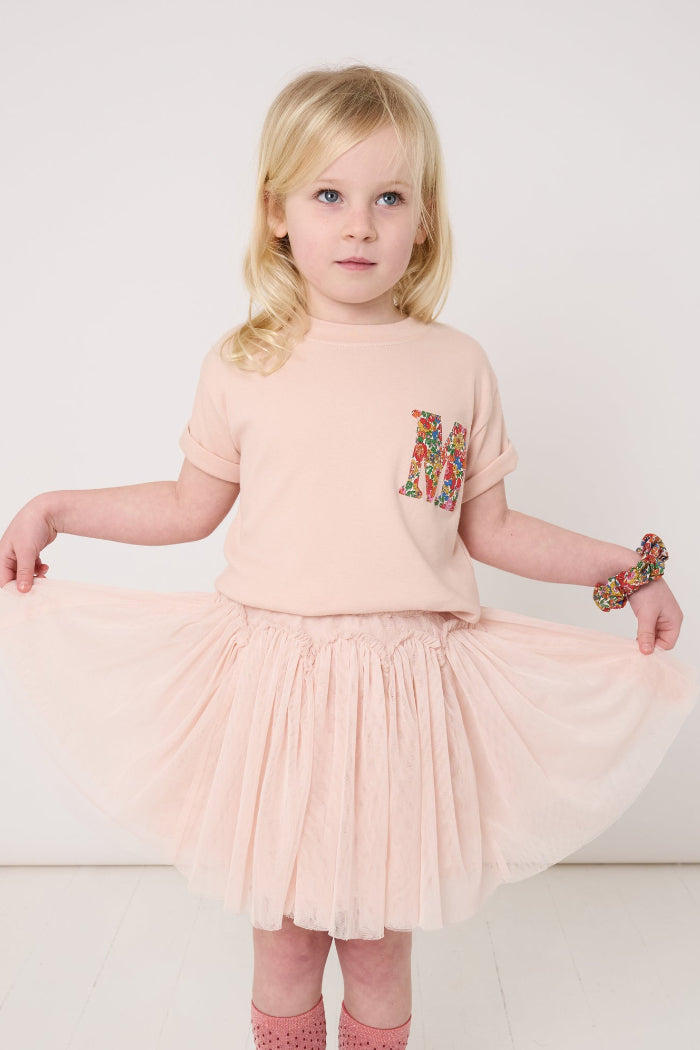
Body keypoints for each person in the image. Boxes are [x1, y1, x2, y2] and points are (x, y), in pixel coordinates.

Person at [0, 64, 697, 1050]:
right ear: (276, 213)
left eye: (388, 197)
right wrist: (57, 508)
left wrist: (626, 572)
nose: (360, 225)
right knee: (286, 936)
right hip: (277, 689)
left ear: (425, 217)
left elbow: (487, 528)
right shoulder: (245, 363)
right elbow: (189, 507)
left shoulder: (451, 367)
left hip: (400, 692)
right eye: (328, 195)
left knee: (377, 943)